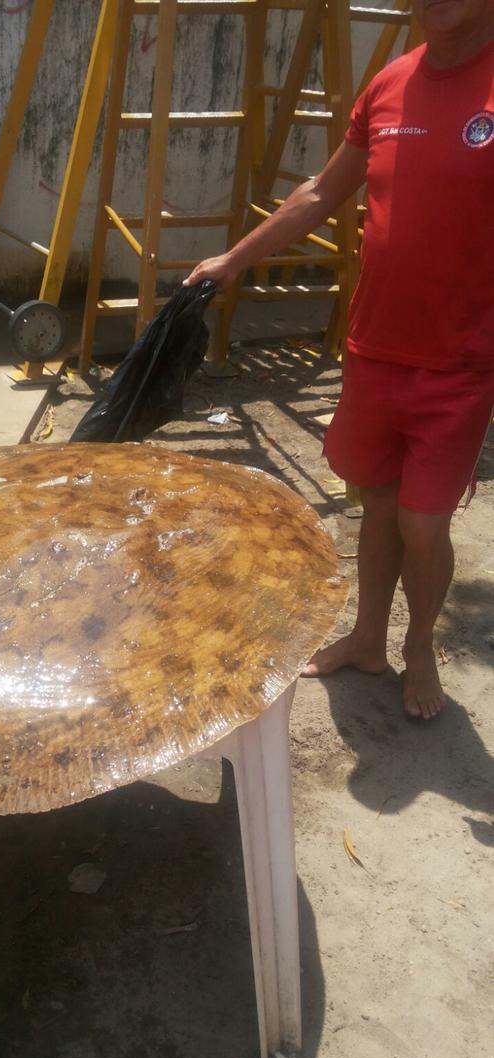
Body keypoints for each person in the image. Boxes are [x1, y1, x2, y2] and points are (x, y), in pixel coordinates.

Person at [184, 0, 494, 720]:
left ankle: (420, 645)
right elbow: (323, 191)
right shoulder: (389, 84)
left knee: (423, 524)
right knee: (378, 502)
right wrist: (234, 259)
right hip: (374, 348)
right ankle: (367, 639)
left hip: (460, 364)